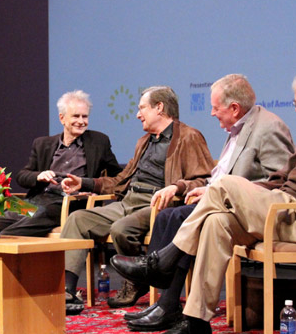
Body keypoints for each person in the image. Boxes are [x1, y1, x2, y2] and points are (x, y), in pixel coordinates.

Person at [111, 68, 296, 334]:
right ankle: (196, 323)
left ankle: (164, 261)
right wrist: (255, 192)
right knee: (216, 222)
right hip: (285, 209)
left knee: (225, 184)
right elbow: (285, 176)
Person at [112, 74, 295, 332]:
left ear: (234, 108)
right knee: (168, 215)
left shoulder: (268, 127)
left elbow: (279, 182)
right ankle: (166, 300)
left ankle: (166, 297)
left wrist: (230, 191)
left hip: (246, 211)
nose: (210, 113)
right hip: (221, 202)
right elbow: (216, 176)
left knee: (178, 217)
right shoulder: (237, 129)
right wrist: (204, 190)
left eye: (215, 107)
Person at [60, 86, 215, 314]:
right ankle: (67, 292)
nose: (138, 114)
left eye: (142, 108)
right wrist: (83, 183)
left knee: (121, 229)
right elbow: (121, 180)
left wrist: (176, 187)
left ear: (159, 108)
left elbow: (204, 179)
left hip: (156, 203)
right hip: (128, 200)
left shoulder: (189, 137)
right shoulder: (144, 141)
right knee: (77, 219)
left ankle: (136, 278)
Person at [0, 90, 122, 283]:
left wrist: (91, 187)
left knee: (11, 232)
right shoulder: (43, 144)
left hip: (68, 203)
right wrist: (39, 176)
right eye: (76, 116)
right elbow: (22, 176)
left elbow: (117, 177)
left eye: (85, 116)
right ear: (62, 118)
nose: (81, 121)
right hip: (36, 201)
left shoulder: (98, 141)